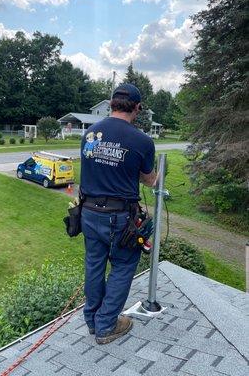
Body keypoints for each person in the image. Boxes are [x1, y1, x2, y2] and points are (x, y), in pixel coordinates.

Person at [80, 83, 157, 345]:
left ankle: (92, 320)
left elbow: (96, 166)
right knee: (123, 266)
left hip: (88, 213)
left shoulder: (90, 134)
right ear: (137, 108)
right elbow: (149, 181)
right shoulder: (142, 141)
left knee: (94, 265)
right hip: (119, 218)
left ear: (111, 104)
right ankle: (106, 325)